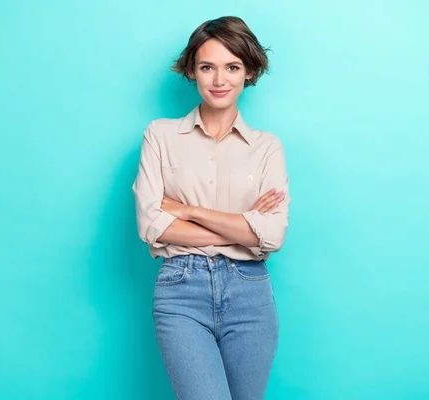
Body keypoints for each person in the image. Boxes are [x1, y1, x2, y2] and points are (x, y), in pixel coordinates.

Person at [132, 16, 291, 400]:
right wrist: (243, 228)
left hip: (250, 293)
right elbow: (151, 225)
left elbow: (273, 235)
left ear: (249, 71)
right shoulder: (160, 135)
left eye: (232, 67)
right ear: (192, 70)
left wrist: (189, 211)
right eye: (207, 67)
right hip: (180, 291)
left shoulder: (267, 147)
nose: (219, 80)